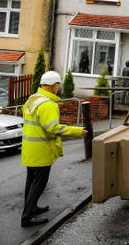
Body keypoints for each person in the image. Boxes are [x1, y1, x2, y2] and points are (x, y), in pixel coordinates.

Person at [21, 71, 86, 227]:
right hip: (41, 149)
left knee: (31, 181)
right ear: (53, 86)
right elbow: (53, 128)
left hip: (30, 149)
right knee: (39, 183)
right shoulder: (48, 104)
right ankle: (27, 217)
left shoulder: (33, 99)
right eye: (58, 85)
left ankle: (32, 208)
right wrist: (77, 131)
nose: (58, 88)